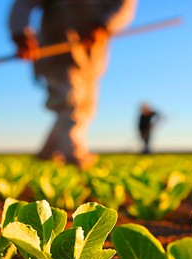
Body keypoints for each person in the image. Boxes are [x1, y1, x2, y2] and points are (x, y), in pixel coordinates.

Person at [9, 0, 137, 169]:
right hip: (57, 51)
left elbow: (123, 6)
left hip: (90, 55)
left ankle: (47, 154)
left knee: (86, 107)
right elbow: (23, 5)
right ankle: (75, 155)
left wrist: (105, 25)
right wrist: (21, 34)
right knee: (71, 102)